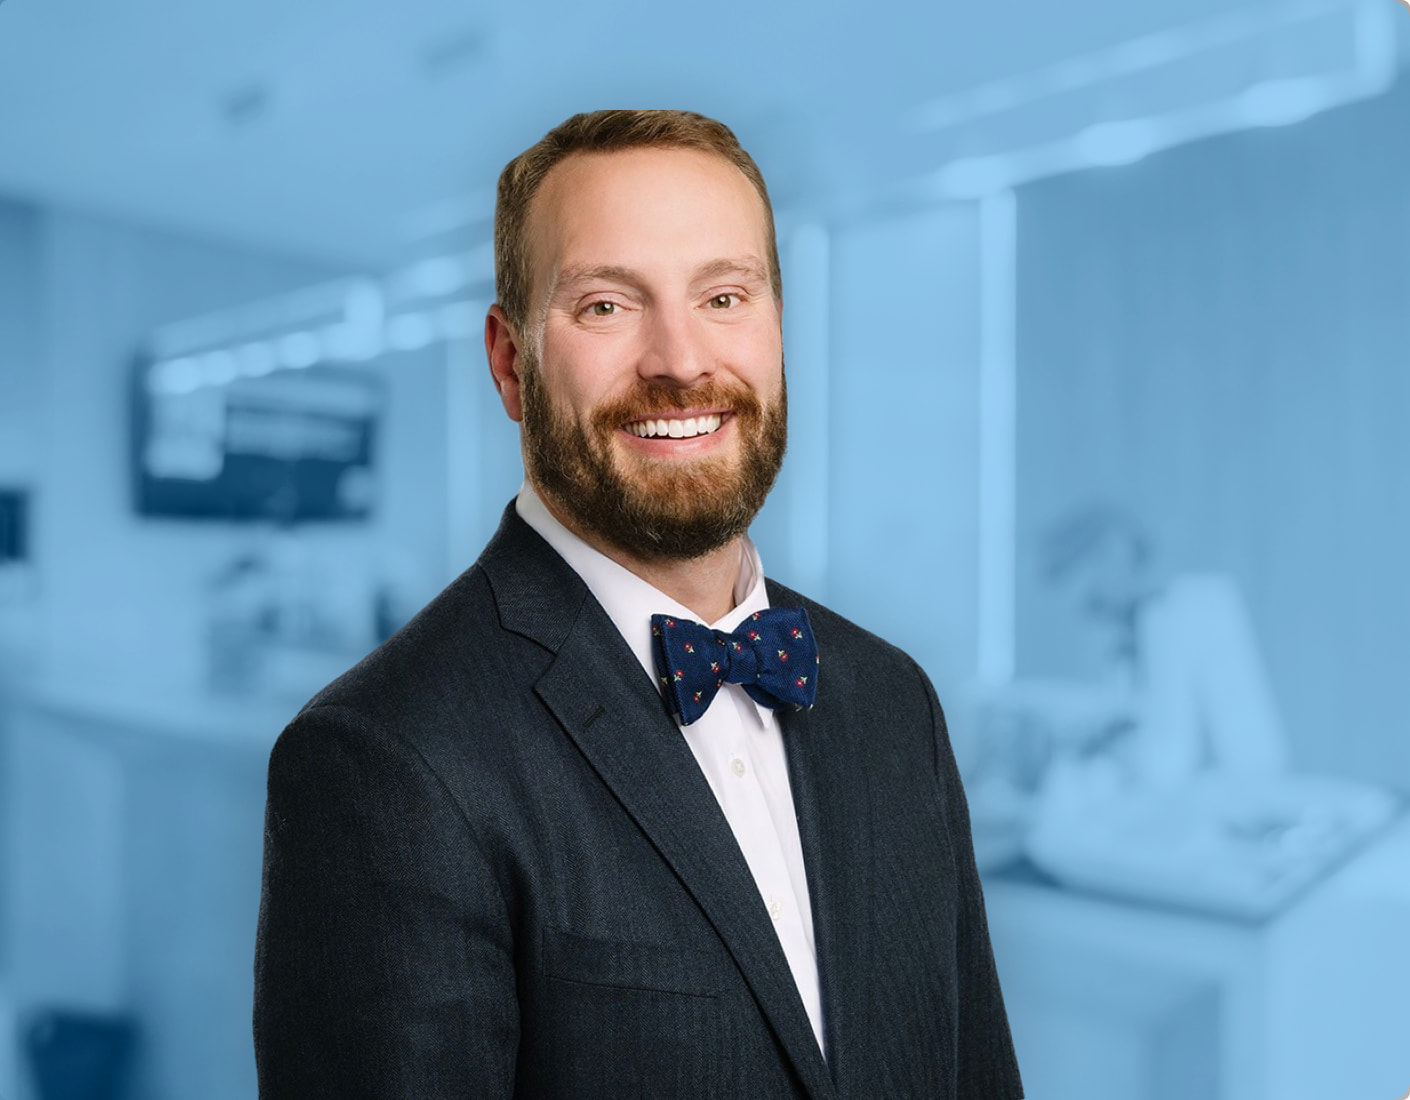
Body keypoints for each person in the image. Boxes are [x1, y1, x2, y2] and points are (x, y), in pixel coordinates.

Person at [253, 109, 1023, 1100]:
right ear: (510, 362)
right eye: (607, 305)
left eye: (724, 296)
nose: (681, 361)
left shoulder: (892, 698)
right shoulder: (386, 756)